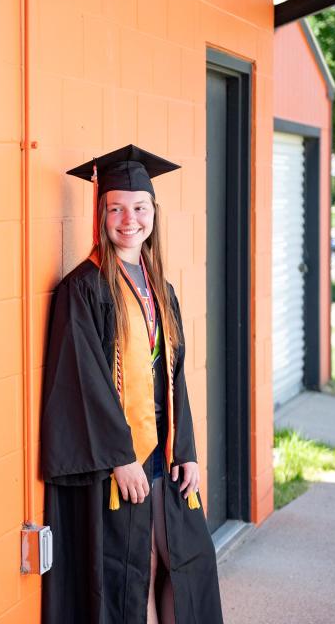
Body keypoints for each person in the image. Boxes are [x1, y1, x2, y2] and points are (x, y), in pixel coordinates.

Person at [39, 145, 223, 623]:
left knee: (181, 559)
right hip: (119, 458)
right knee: (129, 571)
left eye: (139, 208)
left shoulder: (160, 286)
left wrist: (187, 450)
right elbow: (82, 380)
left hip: (163, 452)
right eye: (116, 207)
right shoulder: (84, 287)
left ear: (153, 214)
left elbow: (175, 373)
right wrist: (120, 457)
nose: (129, 219)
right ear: (101, 214)